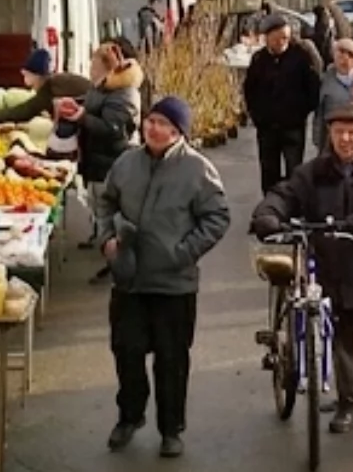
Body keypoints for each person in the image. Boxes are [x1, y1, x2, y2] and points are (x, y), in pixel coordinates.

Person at [251, 102, 353, 451]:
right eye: (339, 132)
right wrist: (267, 215)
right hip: (332, 273)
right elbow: (283, 195)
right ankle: (347, 403)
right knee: (341, 343)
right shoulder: (313, 172)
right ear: (330, 133)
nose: (346, 139)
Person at [95, 96, 231, 458]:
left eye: (163, 124)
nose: (153, 129)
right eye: (151, 121)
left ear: (178, 131)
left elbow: (218, 217)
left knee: (172, 360)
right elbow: (105, 202)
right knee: (127, 351)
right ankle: (129, 416)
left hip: (174, 284)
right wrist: (107, 239)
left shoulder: (197, 169)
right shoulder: (126, 163)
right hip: (129, 278)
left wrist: (182, 253)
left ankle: (171, 429)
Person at [62, 42, 143, 283]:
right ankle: (112, 258)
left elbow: (113, 130)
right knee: (100, 210)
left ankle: (119, 267)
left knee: (112, 215)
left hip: (112, 162)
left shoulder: (124, 93)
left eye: (94, 65)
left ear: (106, 67)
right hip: (98, 161)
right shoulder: (103, 88)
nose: (90, 69)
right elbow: (94, 106)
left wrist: (82, 117)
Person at [244, 14, 321, 194]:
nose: (281, 42)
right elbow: (250, 90)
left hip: (293, 126)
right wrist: (257, 116)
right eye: (277, 38)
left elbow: (313, 87)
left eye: (285, 38)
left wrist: (301, 112)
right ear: (267, 37)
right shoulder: (259, 60)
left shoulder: (300, 57)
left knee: (294, 170)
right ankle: (271, 204)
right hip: (267, 127)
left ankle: (292, 204)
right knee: (269, 170)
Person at [0, 48, 92, 126]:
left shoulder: (51, 86)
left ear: (36, 75)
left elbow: (25, 111)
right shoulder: (53, 82)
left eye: (26, 75)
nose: (24, 79)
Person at [314, 38, 353, 154]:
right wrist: (317, 138)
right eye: (340, 56)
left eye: (350, 56)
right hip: (331, 137)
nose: (344, 61)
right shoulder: (326, 80)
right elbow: (320, 111)